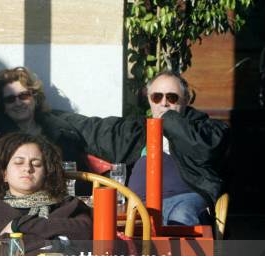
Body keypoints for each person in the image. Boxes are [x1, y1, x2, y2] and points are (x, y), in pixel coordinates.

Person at [62, 71, 229, 225]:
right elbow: (91, 128)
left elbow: (205, 149)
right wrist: (42, 114)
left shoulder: (205, 128)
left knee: (180, 215)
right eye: (157, 97)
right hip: (138, 206)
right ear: (149, 100)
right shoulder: (137, 130)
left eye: (172, 97)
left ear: (185, 99)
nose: (164, 103)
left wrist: (169, 119)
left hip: (183, 200)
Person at [0, 132, 93, 256]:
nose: (28, 168)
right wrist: (57, 243)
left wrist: (19, 225)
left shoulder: (67, 204)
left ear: (47, 172)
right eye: (18, 163)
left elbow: (85, 232)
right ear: (4, 174)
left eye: (36, 164)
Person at [0, 67, 87, 173]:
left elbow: (75, 174)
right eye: (10, 99)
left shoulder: (61, 132)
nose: (18, 103)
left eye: (24, 96)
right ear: (3, 106)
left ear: (35, 98)